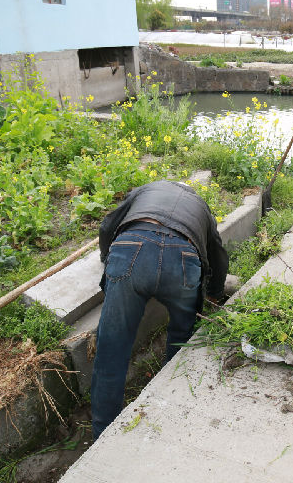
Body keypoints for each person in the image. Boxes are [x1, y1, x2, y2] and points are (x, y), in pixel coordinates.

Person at [91, 180, 228, 439]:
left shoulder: (148, 189)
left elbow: (108, 224)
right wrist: (215, 293)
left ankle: (102, 433)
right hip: (184, 257)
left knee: (112, 349)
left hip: (131, 249)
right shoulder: (201, 206)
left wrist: (107, 258)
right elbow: (218, 252)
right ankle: (166, 412)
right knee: (181, 341)